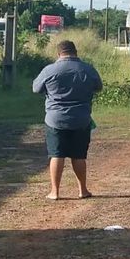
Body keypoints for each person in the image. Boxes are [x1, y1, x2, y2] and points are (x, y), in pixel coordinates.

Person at [32, 40, 103, 201]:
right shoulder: (88, 69)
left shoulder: (49, 70)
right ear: (75, 52)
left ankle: (55, 192)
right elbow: (98, 87)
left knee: (57, 154)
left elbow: (36, 88)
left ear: (58, 54)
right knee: (78, 155)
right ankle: (83, 190)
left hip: (55, 120)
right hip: (81, 119)